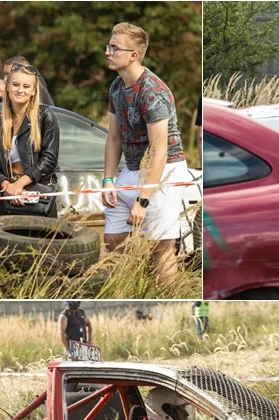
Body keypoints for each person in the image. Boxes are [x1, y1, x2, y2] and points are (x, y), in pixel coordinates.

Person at [101, 22, 193, 286]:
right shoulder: (116, 87)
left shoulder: (152, 91)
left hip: (165, 170)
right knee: (113, 237)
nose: (108, 52)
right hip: (131, 167)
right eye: (109, 46)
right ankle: (128, 286)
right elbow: (114, 137)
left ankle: (166, 292)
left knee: (160, 245)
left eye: (114, 48)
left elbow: (159, 149)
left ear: (134, 55)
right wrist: (108, 179)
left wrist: (143, 200)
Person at [0, 61, 60, 217]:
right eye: (15, 85)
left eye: (26, 87)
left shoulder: (45, 116)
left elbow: (49, 160)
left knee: (42, 241)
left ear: (33, 91)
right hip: (10, 198)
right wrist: (9, 187)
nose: (20, 90)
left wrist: (19, 184)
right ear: (7, 87)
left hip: (38, 196)